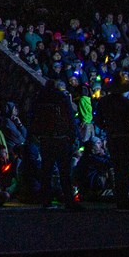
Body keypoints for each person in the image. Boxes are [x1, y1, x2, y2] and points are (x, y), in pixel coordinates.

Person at [33, 79, 80, 211]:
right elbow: (70, 118)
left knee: (46, 171)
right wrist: (72, 136)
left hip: (46, 139)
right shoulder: (62, 99)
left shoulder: (40, 99)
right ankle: (69, 201)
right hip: (61, 139)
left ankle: (46, 201)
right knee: (64, 172)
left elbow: (34, 119)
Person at [95, 86, 129, 210]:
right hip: (126, 138)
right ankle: (123, 198)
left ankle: (120, 198)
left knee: (117, 168)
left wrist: (108, 127)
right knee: (126, 169)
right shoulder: (127, 103)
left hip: (113, 138)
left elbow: (98, 120)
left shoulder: (103, 102)